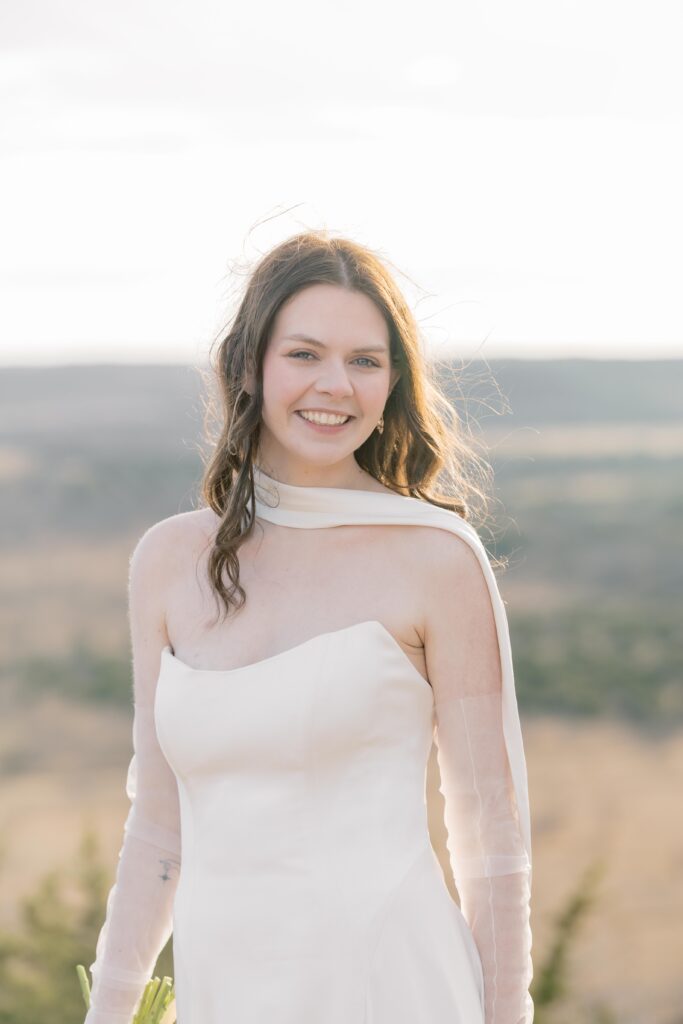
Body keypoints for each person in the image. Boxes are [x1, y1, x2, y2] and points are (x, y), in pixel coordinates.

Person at [83, 230, 534, 1024]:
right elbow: (159, 827)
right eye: (305, 354)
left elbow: (488, 834)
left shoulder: (433, 559)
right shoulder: (167, 559)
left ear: (393, 382)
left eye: (366, 360)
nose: (336, 385)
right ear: (249, 364)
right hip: (226, 992)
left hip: (394, 988)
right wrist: (110, 1009)